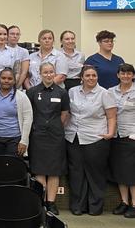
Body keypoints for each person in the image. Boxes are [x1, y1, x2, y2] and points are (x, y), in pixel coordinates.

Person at [66, 65, 117, 216]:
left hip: (95, 138)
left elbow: (112, 116)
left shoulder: (104, 94)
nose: (90, 78)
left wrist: (110, 133)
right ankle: (78, 206)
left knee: (95, 175)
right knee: (76, 174)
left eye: (93, 75)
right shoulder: (72, 91)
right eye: (87, 75)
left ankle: (95, 207)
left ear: (97, 77)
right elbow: (68, 113)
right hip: (73, 137)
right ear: (81, 77)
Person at [26, 62, 70, 215]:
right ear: (40, 74)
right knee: (39, 170)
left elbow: (65, 114)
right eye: (45, 72)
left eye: (51, 72)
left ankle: (51, 203)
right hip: (38, 136)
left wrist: (55, 127)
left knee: (54, 170)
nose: (49, 75)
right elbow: (28, 114)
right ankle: (41, 202)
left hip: (55, 136)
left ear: (54, 73)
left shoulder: (62, 92)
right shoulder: (31, 92)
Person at [0, 68, 33, 156]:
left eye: (10, 79)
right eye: (3, 78)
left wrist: (24, 140)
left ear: (14, 81)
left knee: (12, 167)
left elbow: (28, 119)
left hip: (14, 140)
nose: (6, 81)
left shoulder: (21, 96)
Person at [109, 63, 135, 218]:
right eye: (123, 73)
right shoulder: (111, 92)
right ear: (118, 75)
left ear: (133, 75)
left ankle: (134, 204)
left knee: (131, 173)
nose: (126, 76)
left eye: (129, 73)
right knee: (119, 172)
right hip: (116, 136)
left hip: (131, 136)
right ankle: (124, 202)